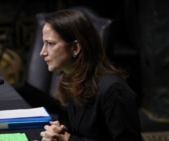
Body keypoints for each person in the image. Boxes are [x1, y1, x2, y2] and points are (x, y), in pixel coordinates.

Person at [39, 9, 142, 141]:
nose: (42, 52)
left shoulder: (114, 90)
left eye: (50, 44)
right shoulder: (70, 78)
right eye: (44, 43)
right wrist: (58, 129)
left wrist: (68, 139)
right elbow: (75, 128)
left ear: (75, 48)